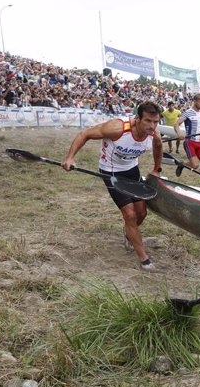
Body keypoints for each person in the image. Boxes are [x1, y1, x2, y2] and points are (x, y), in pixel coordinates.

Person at [61, 101, 163, 270]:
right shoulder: (117, 128)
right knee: (130, 215)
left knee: (141, 213)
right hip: (111, 172)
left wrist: (156, 168)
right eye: (148, 121)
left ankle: (129, 232)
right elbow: (85, 134)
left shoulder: (153, 135)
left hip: (132, 171)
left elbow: (158, 147)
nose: (152, 126)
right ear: (137, 119)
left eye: (155, 122)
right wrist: (70, 157)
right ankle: (144, 259)